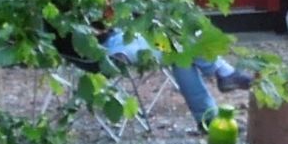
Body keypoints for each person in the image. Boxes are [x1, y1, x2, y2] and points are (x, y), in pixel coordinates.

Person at [101, 27, 252, 125]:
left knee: (181, 45)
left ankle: (208, 115)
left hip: (132, 35)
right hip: (115, 45)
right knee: (181, 45)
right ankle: (223, 74)